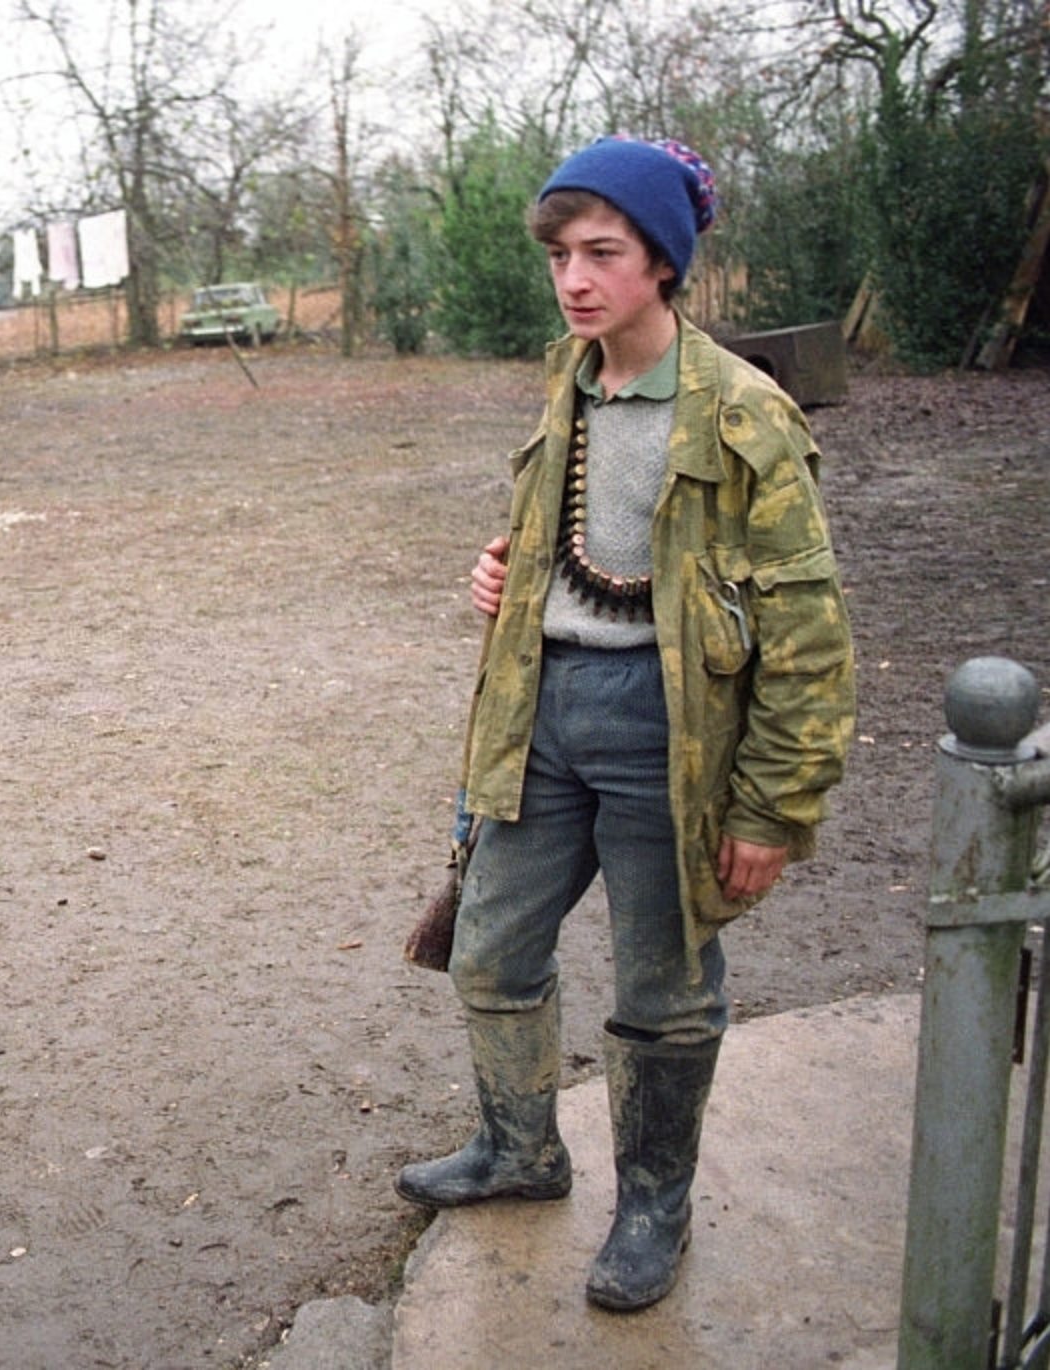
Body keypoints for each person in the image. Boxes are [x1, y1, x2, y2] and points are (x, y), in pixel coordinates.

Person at [392, 136, 856, 1313]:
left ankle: (654, 1200)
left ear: (663, 262)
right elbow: (566, 536)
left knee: (663, 987)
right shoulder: (572, 377)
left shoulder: (745, 415)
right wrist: (505, 568)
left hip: (671, 731)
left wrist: (769, 807)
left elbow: (806, 634)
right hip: (540, 710)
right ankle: (519, 1149)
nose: (573, 277)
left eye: (602, 253)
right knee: (491, 952)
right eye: (560, 254)